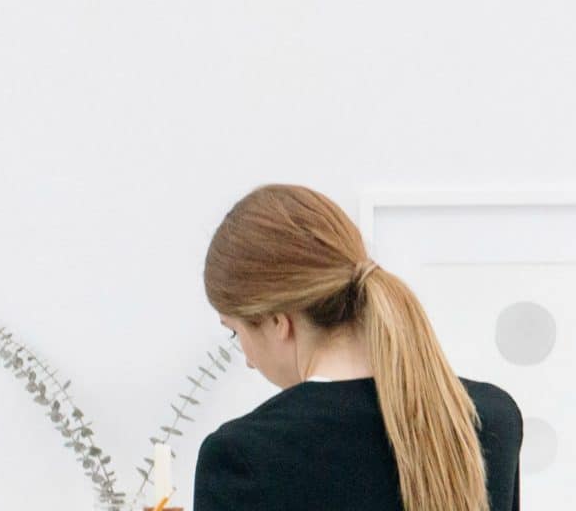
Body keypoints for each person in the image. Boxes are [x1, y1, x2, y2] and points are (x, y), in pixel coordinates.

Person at [195, 183, 523, 511]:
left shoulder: (241, 457)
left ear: (278, 321)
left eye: (236, 333)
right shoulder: (489, 418)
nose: (249, 361)